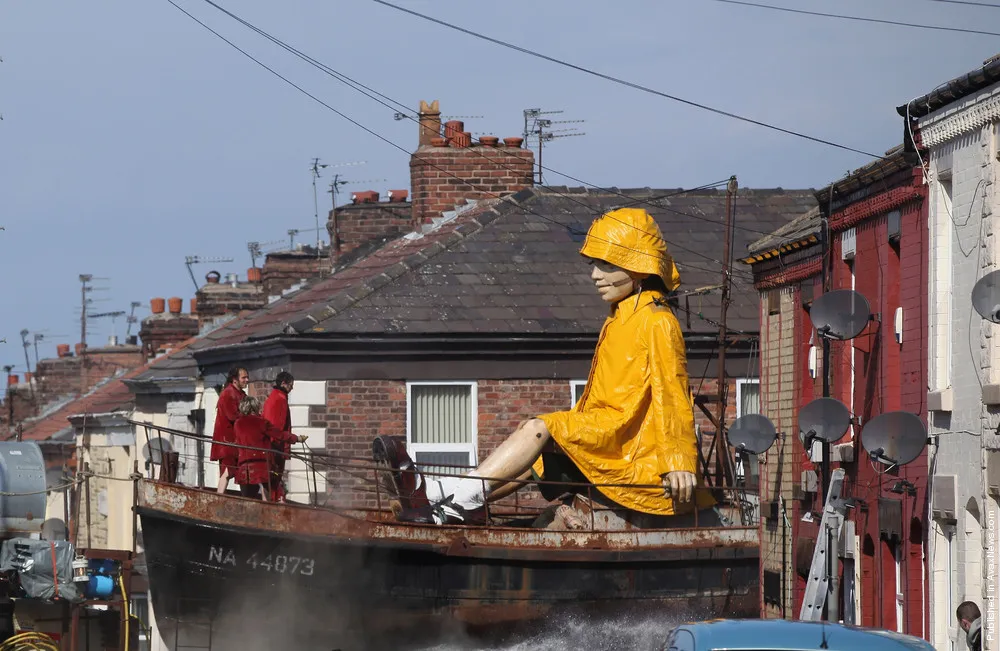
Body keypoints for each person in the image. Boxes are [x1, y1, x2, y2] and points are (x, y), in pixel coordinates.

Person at [378, 207, 714, 525]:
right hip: (605, 429)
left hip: (626, 442)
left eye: (607, 264)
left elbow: (672, 394)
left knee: (540, 428)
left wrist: (678, 462)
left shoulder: (657, 322)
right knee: (537, 455)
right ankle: (450, 501)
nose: (595, 275)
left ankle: (450, 495)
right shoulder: (619, 318)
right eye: (594, 264)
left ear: (640, 268)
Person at [233, 395, 307, 500]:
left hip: (244, 465)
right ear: (254, 407)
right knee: (269, 494)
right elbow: (280, 434)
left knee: (247, 498)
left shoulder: (237, 423)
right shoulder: (261, 422)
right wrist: (297, 438)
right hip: (261, 465)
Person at [210, 367, 248, 494]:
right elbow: (233, 416)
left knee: (241, 471)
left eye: (247, 377)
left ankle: (246, 497)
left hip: (236, 441)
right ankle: (219, 496)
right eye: (244, 377)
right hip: (227, 440)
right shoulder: (228, 393)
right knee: (227, 470)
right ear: (235, 380)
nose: (246, 380)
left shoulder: (241, 394)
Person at [263, 371, 296, 502]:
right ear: (283, 383)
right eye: (291, 385)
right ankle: (275, 503)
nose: (292, 388)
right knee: (275, 478)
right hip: (276, 446)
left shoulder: (273, 397)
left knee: (272, 479)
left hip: (270, 444)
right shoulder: (280, 399)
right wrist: (290, 440)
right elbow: (278, 427)